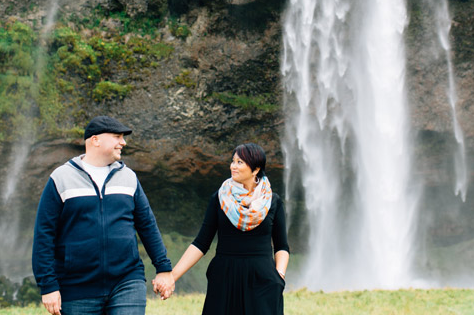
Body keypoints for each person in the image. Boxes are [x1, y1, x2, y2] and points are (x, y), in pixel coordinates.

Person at [32, 115, 176, 315]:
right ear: (95, 140)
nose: (123, 142)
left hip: (127, 281)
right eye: (117, 136)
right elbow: (44, 234)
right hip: (76, 286)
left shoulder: (129, 177)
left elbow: (147, 226)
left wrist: (164, 269)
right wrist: (48, 285)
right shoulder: (61, 178)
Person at [170, 143, 289, 314]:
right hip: (224, 278)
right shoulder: (219, 198)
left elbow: (282, 246)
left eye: (240, 162)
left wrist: (279, 277)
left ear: (255, 169)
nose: (233, 166)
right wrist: (173, 276)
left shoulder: (273, 201)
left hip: (263, 281)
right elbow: (201, 243)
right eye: (233, 161)